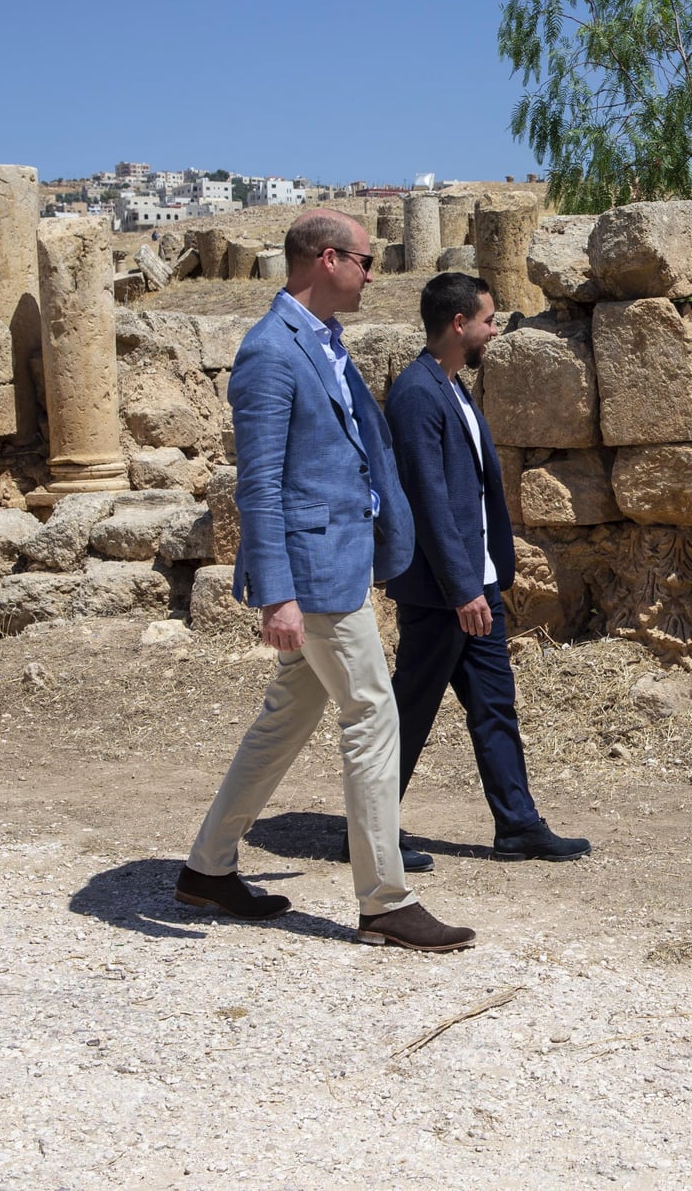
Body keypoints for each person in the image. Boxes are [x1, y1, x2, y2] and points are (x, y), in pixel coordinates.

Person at [178, 209, 475, 953]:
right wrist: (276, 592)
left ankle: (209, 866)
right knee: (374, 710)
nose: (375, 275)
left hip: (336, 562)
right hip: (311, 577)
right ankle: (384, 900)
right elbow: (261, 486)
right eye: (366, 262)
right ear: (327, 259)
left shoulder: (323, 343)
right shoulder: (270, 354)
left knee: (286, 714)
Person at [384, 272, 590, 866]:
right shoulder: (417, 394)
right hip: (444, 593)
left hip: (475, 586)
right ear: (459, 324)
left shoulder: (451, 387)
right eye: (489, 320)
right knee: (412, 708)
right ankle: (370, 827)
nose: (494, 332)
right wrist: (461, 588)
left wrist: (485, 579)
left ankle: (518, 824)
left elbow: (468, 496)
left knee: (495, 705)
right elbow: (428, 502)